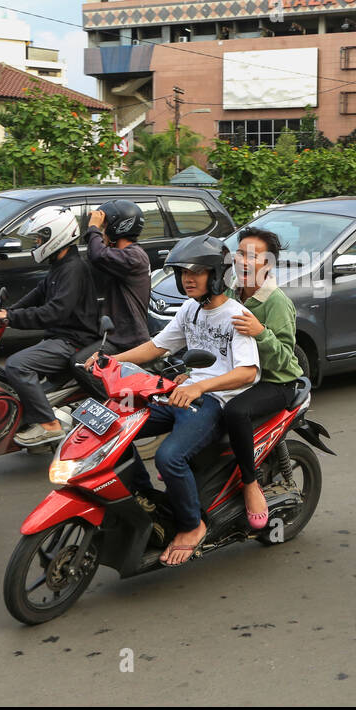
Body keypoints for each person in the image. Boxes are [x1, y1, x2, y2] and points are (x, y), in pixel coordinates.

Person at [87, 235, 259, 567]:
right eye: (182, 272)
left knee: (169, 457)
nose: (187, 278)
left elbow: (248, 373)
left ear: (216, 274)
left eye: (197, 271)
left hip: (212, 402)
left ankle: (193, 526)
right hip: (181, 394)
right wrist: (110, 360)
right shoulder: (191, 309)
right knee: (114, 429)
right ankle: (145, 500)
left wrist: (201, 387)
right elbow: (156, 347)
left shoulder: (235, 315)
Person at [0, 206, 100, 445]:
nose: (36, 243)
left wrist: (11, 318)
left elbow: (54, 312)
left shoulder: (74, 269)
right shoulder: (60, 266)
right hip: (58, 338)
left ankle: (49, 425)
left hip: (72, 341)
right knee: (7, 377)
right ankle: (31, 425)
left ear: (57, 235)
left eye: (40, 238)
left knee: (17, 366)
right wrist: (4, 313)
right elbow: (36, 294)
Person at [222, 227, 303, 530]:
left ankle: (250, 484)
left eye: (252, 256)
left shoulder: (276, 302)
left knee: (235, 411)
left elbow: (284, 357)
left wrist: (260, 333)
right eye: (240, 253)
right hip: (239, 376)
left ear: (267, 264)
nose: (243, 260)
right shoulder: (230, 291)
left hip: (276, 382)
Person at [81, 199, 151, 396]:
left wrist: (93, 227)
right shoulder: (123, 255)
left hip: (127, 337)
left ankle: (114, 411)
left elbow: (97, 255)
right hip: (117, 332)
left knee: (82, 365)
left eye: (105, 228)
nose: (102, 232)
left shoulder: (133, 256)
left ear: (117, 227)